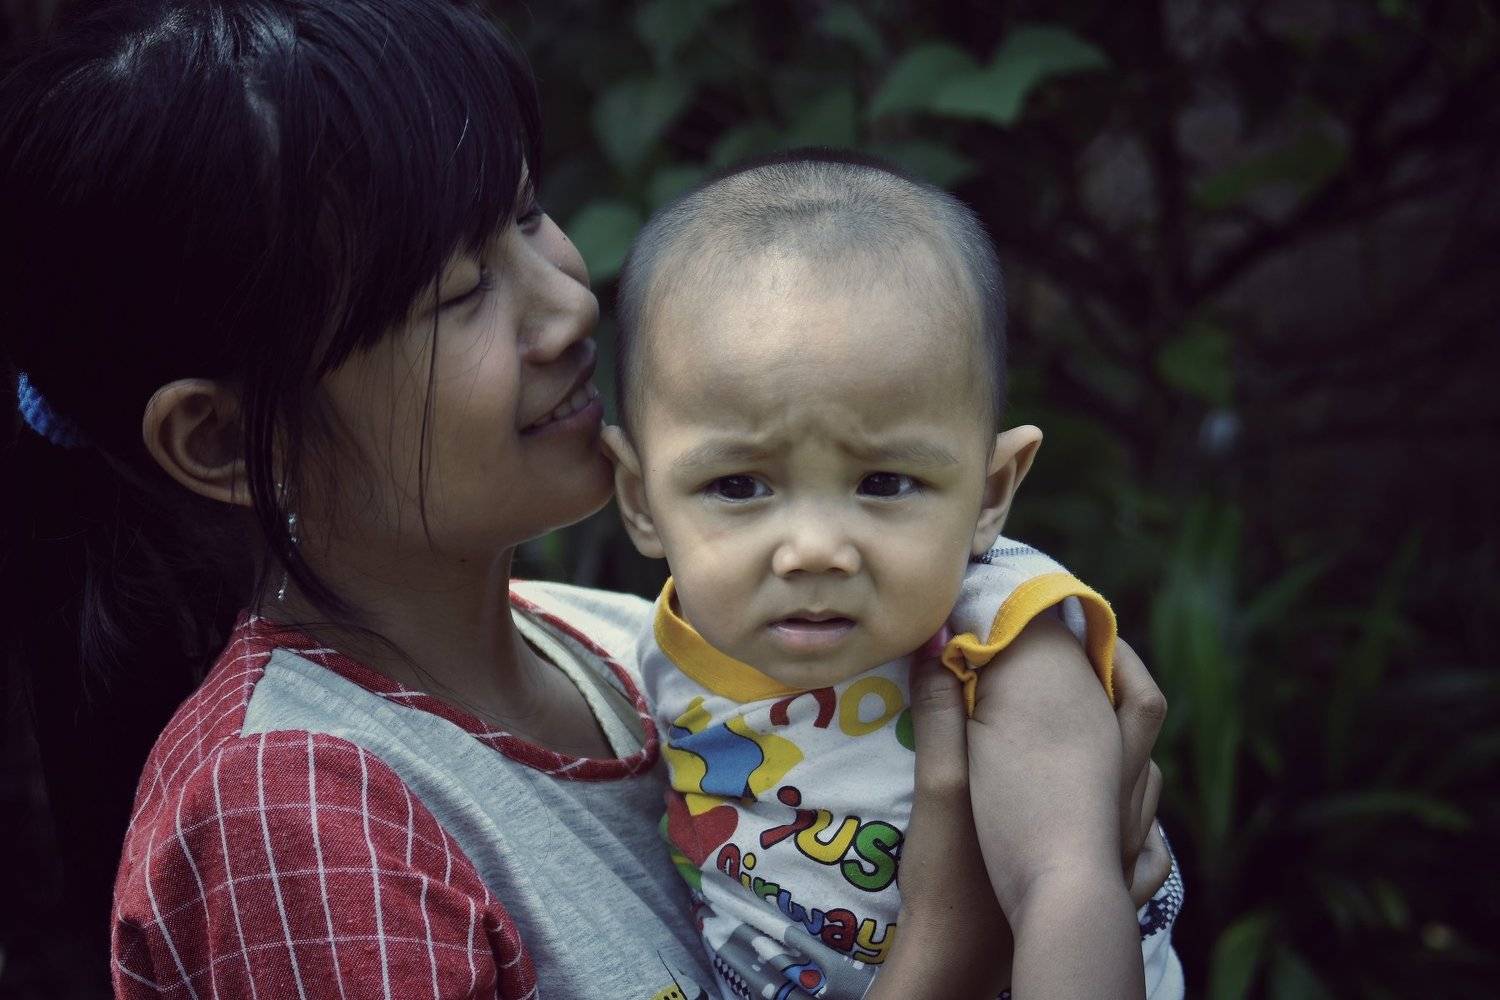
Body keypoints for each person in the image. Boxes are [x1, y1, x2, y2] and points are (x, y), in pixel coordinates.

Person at [0, 1, 1174, 997]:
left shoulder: (646, 646)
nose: (568, 308)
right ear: (219, 438)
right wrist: (946, 943)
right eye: (462, 290)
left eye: (524, 214)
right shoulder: (294, 822)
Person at [601, 151, 1184, 999]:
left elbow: (1065, 888)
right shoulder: (657, 643)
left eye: (883, 483)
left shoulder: (998, 642)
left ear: (991, 493)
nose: (813, 550)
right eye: (738, 487)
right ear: (641, 499)